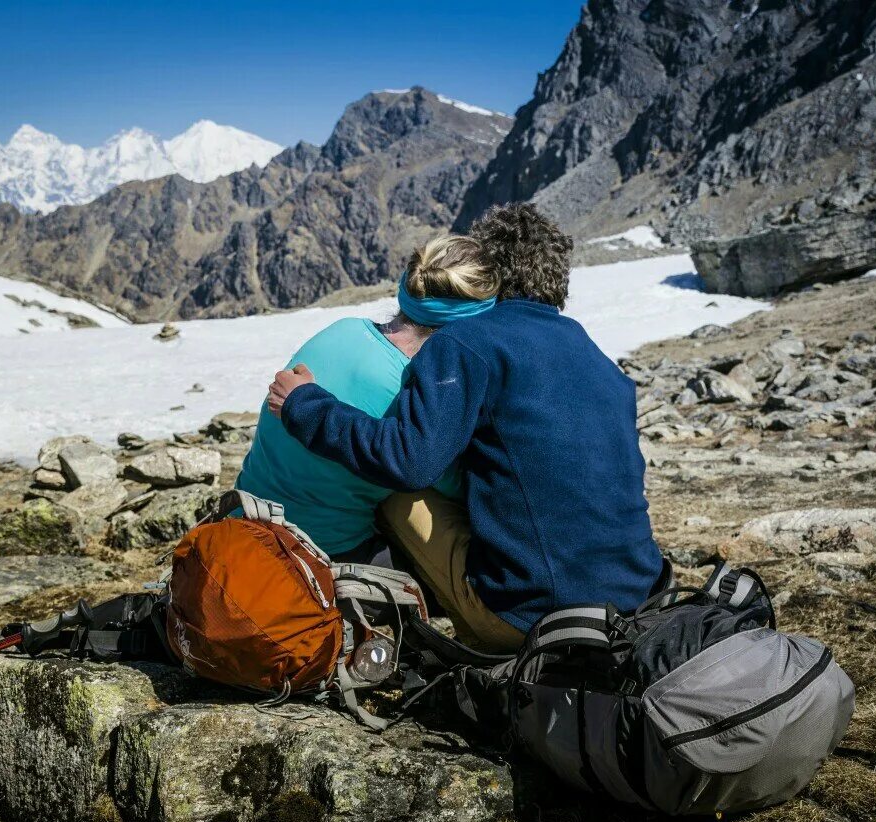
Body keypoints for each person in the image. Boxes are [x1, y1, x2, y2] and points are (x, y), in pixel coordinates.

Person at [267, 203, 664, 652]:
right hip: (635, 600)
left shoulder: (467, 344)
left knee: (400, 495)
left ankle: (415, 619)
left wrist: (307, 406)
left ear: (486, 275)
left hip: (530, 621)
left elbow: (408, 461)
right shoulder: (599, 360)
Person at [235, 234, 499, 563]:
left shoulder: (344, 328)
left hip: (242, 519)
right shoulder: (413, 389)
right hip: (320, 554)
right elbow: (453, 486)